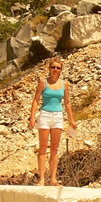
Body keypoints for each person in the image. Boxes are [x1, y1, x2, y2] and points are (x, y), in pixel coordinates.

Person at [29, 57, 75, 186]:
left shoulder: (64, 84)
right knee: (43, 147)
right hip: (45, 114)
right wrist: (32, 117)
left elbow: (67, 102)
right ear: (49, 69)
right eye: (53, 67)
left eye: (58, 68)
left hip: (58, 115)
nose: (55, 70)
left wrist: (72, 120)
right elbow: (36, 100)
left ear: (61, 70)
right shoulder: (43, 82)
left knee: (55, 148)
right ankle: (42, 179)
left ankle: (53, 179)